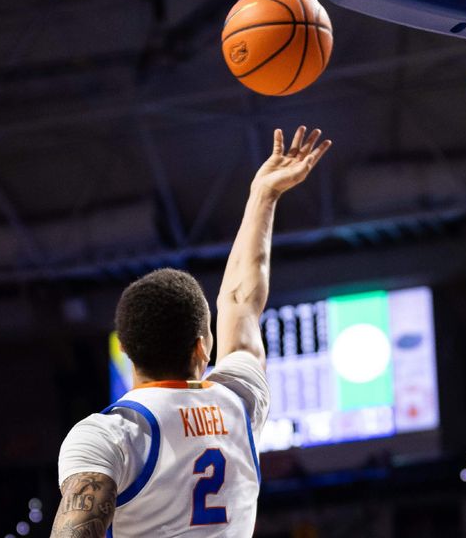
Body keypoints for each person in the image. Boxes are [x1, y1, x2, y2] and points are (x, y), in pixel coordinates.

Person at [51, 127, 332, 538]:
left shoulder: (111, 435)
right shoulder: (239, 401)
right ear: (203, 346)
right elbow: (240, 301)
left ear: (126, 350)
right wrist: (263, 195)